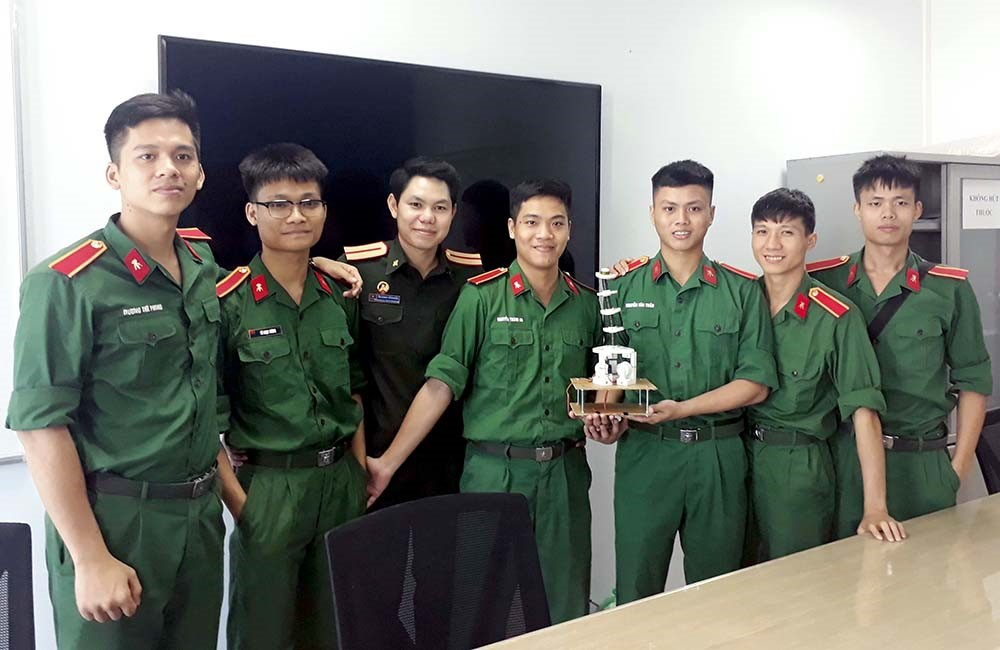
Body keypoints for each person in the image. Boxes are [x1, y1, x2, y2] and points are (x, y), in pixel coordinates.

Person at [6, 91, 228, 649]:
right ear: (115, 174)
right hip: (116, 522)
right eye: (147, 156)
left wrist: (325, 265)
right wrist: (88, 556)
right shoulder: (67, 282)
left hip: (199, 519)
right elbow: (40, 424)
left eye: (182, 156)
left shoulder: (200, 263)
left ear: (199, 173)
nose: (168, 169)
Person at [365, 179, 620, 623]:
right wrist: (387, 463)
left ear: (569, 230)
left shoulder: (588, 305)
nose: (544, 234)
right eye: (532, 222)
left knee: (565, 604)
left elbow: (604, 388)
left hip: (564, 476)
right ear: (512, 228)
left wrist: (610, 422)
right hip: (493, 473)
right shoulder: (481, 297)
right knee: (480, 607)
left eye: (556, 223)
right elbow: (442, 384)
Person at [215, 143, 368, 650]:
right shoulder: (229, 303)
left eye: (309, 202)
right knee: (264, 632)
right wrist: (242, 506)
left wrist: (358, 470)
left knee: (338, 627)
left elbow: (354, 390)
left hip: (340, 483)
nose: (297, 215)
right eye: (278, 204)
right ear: (252, 212)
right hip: (270, 488)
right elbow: (203, 416)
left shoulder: (340, 294)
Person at [610, 160, 777, 604]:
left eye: (694, 208)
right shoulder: (622, 288)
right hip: (647, 454)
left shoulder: (742, 291)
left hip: (718, 456)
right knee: (636, 588)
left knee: (717, 593)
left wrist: (682, 408)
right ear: (652, 213)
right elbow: (610, 377)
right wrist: (605, 421)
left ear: (711, 214)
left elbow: (756, 383)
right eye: (669, 208)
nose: (681, 220)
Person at [808, 154, 992, 536]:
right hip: (845, 461)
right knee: (842, 569)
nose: (888, 213)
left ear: (917, 210)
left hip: (921, 463)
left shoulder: (948, 289)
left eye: (900, 202)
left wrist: (955, 472)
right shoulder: (826, 282)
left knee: (928, 570)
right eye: (875, 203)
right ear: (858, 209)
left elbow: (974, 383)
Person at [746, 188, 904, 560]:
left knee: (793, 579)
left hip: (798, 465)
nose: (772, 244)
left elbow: (864, 411)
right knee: (733, 576)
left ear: (810, 240)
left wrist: (875, 507)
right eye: (762, 231)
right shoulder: (739, 302)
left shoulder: (836, 317)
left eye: (786, 232)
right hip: (736, 456)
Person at [340, 157, 481, 510]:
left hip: (451, 463)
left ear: (453, 212)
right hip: (373, 463)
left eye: (440, 208)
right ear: (394, 206)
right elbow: (343, 372)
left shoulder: (473, 279)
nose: (427, 217)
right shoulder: (358, 272)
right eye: (416, 204)